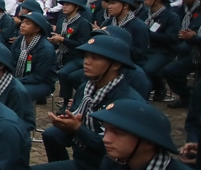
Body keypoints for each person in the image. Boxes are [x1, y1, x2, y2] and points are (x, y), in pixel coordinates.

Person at [34, 36, 145, 170]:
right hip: (83, 159)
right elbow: (76, 115)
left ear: (115, 64)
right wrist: (67, 122)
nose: (86, 62)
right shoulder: (86, 87)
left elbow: (115, 149)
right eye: (86, 57)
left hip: (107, 166)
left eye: (95, 58)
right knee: (51, 134)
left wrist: (77, 128)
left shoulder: (127, 101)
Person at [91, 99, 191, 170]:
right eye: (106, 130)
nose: (105, 139)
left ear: (148, 142)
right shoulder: (111, 163)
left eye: (117, 133)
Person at [11, 12, 57, 102]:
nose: (22, 25)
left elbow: (38, 76)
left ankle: (24, 116)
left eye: (27, 23)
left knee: (17, 92)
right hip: (21, 79)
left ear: (37, 28)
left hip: (43, 83)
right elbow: (11, 63)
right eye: (22, 22)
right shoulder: (19, 41)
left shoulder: (45, 49)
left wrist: (15, 81)